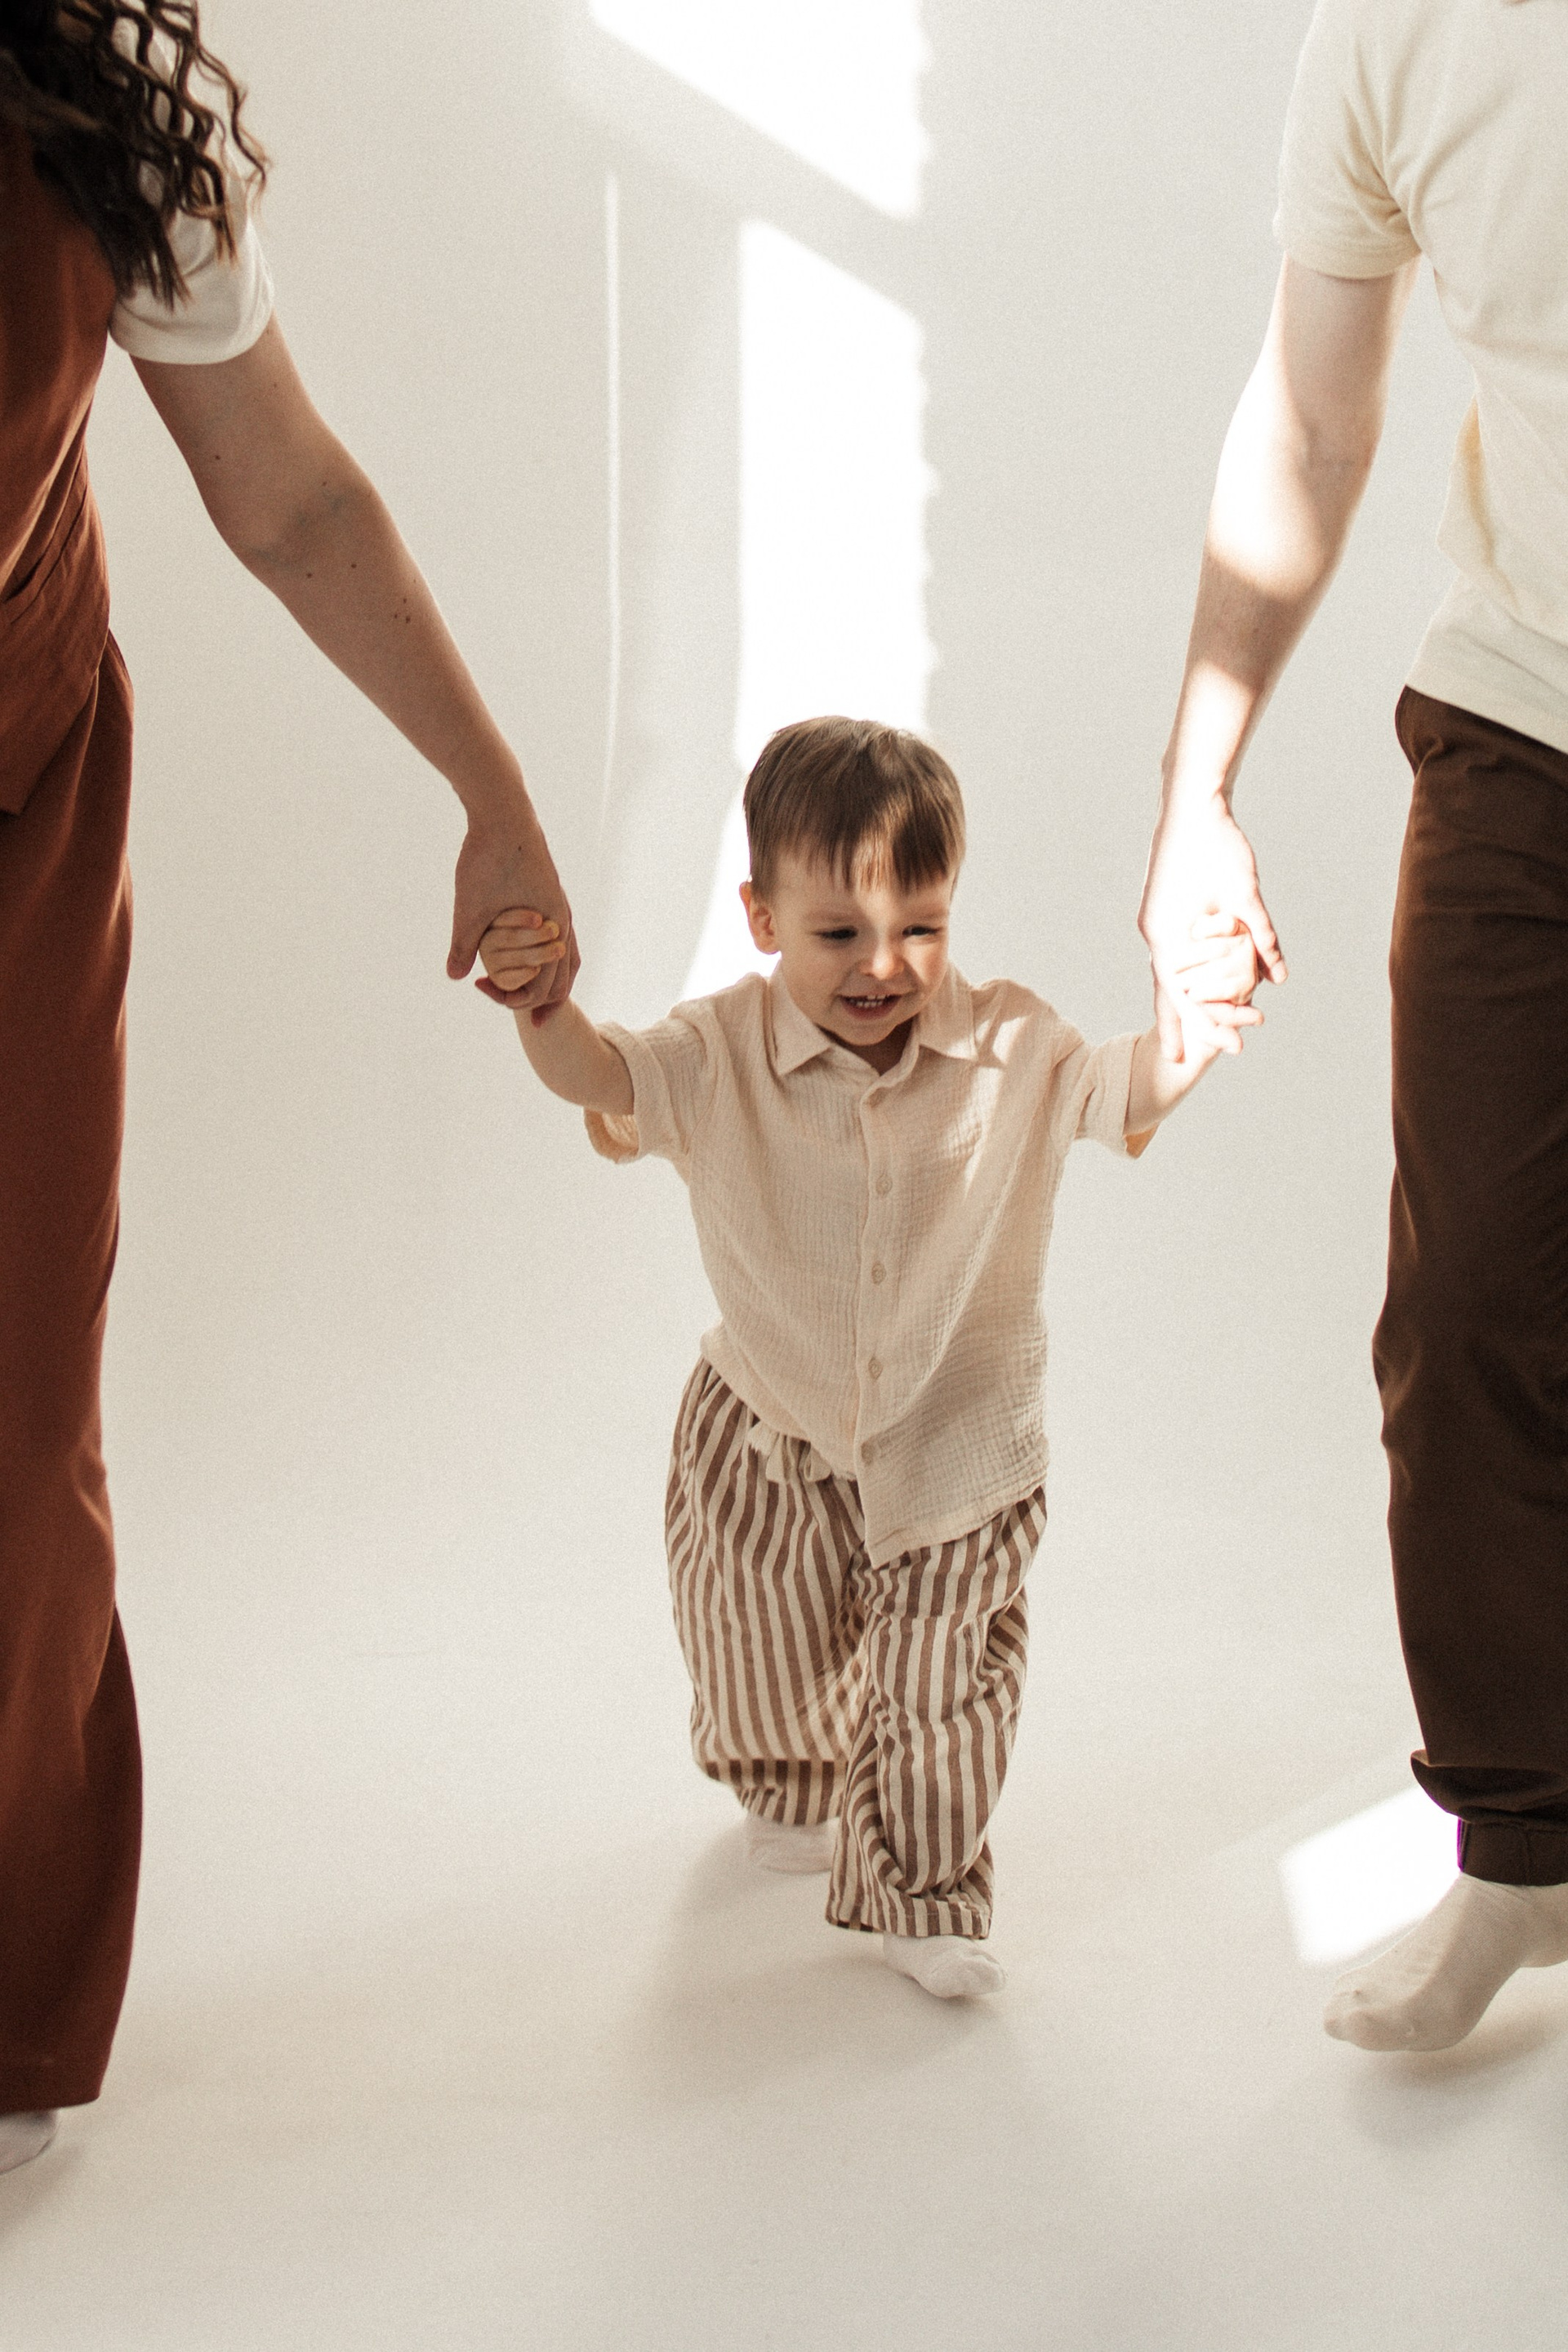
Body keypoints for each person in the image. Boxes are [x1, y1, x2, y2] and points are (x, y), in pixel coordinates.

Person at [0, 0, 573, 2176]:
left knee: (17, 1431)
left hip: (13, 804)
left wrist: (491, 789)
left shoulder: (99, 118)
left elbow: (293, 492)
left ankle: (6, 2003)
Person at [479, 717, 1258, 1998]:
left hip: (959, 1439)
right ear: (762, 917)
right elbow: (596, 1074)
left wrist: (1199, 1019)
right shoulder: (716, 1049)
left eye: (922, 927)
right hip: (767, 1428)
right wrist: (542, 1003)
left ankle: (926, 1896)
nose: (885, 965)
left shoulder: (1011, 1042)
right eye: (840, 932)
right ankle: (795, 1779)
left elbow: (1122, 1088)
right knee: (755, 1653)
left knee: (946, 1682)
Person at [1140, 0, 1568, 2051]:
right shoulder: (1398, 27)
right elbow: (1312, 423)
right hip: (1523, 723)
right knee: (1470, 1303)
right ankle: (1527, 1852)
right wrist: (1197, 790)